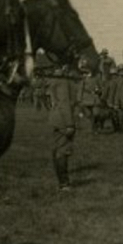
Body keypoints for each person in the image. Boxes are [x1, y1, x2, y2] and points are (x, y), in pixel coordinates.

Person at [47, 62, 79, 191]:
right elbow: (64, 103)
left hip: (56, 117)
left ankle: (63, 182)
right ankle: (64, 183)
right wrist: (70, 123)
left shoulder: (54, 80)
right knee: (63, 150)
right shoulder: (63, 82)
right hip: (63, 118)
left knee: (58, 149)